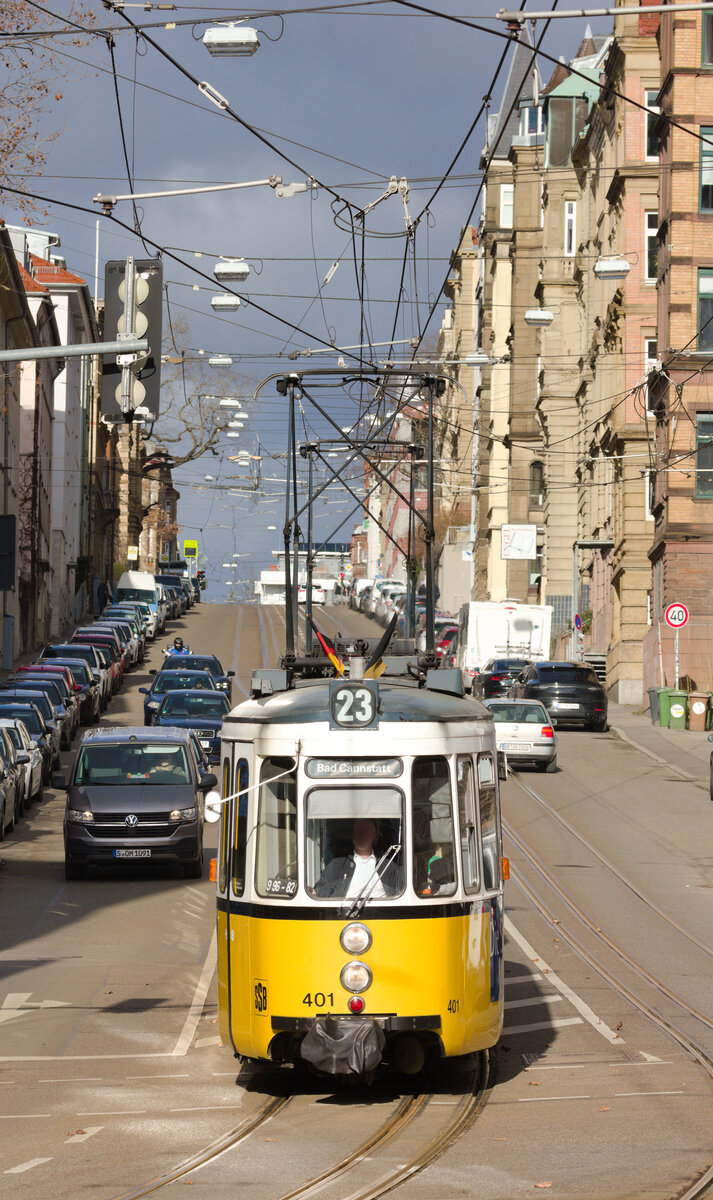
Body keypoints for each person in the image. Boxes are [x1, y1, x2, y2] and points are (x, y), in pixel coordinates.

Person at [312, 818, 401, 899]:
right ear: (353, 835)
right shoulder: (338, 864)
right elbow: (320, 890)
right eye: (358, 830)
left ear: (374, 835)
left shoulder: (388, 866)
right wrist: (313, 892)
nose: (361, 834)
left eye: (366, 831)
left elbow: (400, 894)